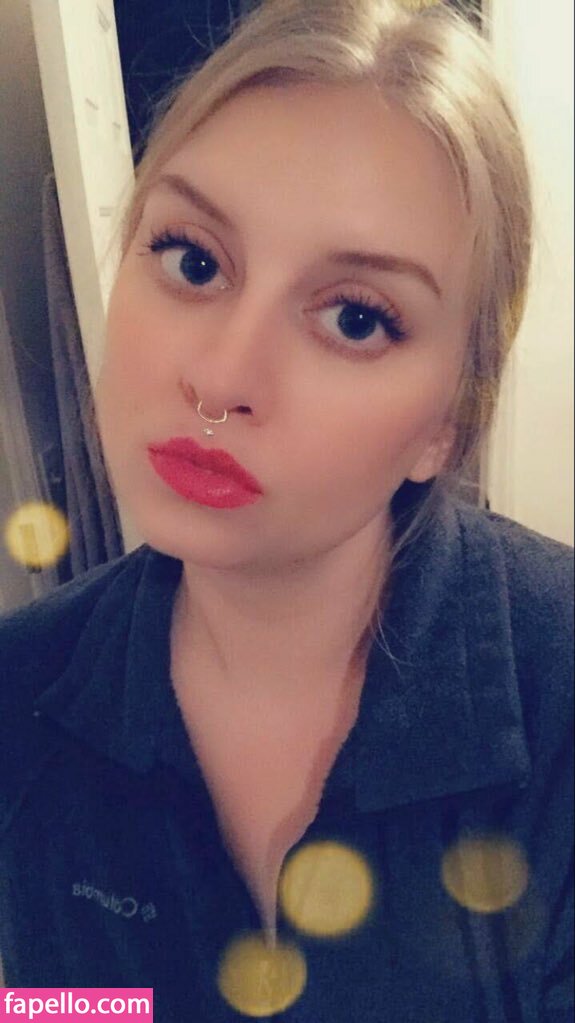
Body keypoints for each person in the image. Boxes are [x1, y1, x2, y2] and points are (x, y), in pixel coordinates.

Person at [0, 0, 573, 1020]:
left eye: (354, 318)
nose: (222, 378)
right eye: (193, 260)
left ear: (445, 424)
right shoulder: (18, 697)